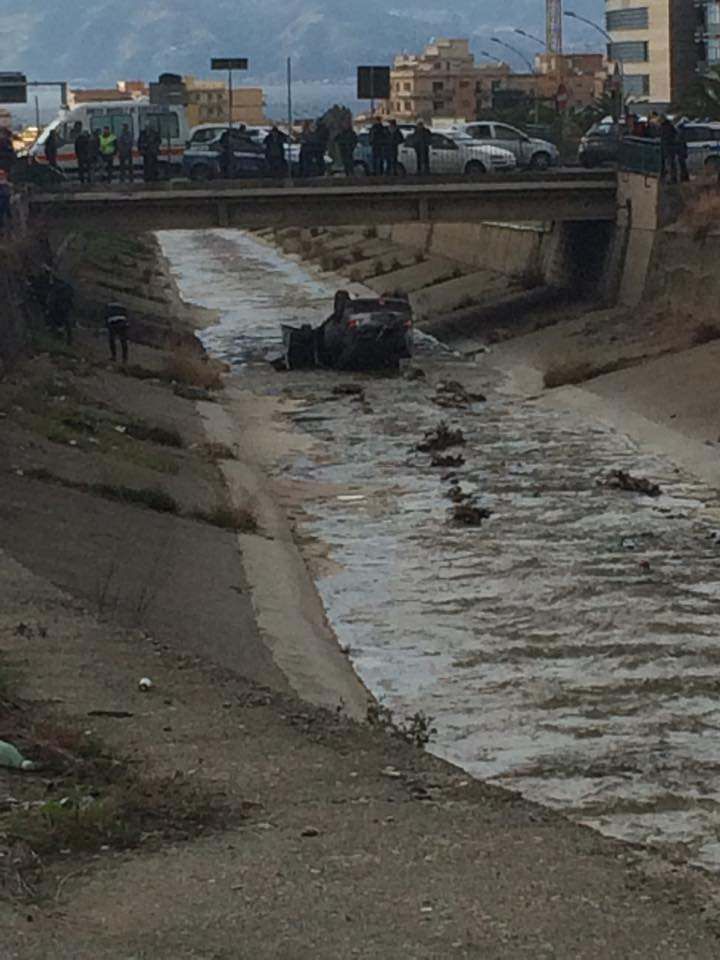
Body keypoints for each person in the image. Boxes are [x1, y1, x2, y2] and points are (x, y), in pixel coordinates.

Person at [45, 274, 75, 344]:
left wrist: (49, 307)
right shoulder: (66, 286)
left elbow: (51, 299)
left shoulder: (55, 288)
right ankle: (69, 338)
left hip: (58, 308)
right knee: (66, 323)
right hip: (66, 307)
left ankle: (60, 335)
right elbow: (71, 296)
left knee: (58, 321)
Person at [659, 116, 678, 183]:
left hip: (668, 148)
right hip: (668, 148)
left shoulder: (666, 127)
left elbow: (666, 136)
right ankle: (671, 178)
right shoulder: (669, 126)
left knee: (669, 164)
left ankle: (671, 178)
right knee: (669, 164)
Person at [0, 169, 12, 233]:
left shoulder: (7, 182)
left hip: (7, 199)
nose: (1, 176)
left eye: (2, 174)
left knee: (8, 212)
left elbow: (11, 187)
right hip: (2, 199)